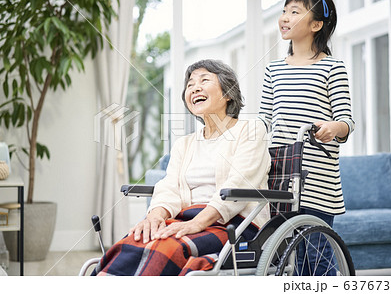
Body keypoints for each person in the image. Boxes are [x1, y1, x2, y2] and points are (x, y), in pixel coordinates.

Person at [94, 59, 271, 276]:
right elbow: (170, 187)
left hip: (236, 225)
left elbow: (240, 183)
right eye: (190, 84)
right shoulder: (184, 143)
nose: (194, 87)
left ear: (229, 94)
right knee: (133, 242)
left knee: (166, 247)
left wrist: (197, 223)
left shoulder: (251, 130)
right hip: (188, 218)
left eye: (204, 80)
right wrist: (155, 217)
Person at [259, 0, 355, 275]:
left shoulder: (332, 67)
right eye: (284, 10)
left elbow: (347, 121)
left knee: (315, 256)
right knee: (284, 259)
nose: (285, 17)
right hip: (281, 174)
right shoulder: (273, 69)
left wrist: (333, 128)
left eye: (295, 11)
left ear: (316, 25)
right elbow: (265, 120)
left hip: (318, 181)